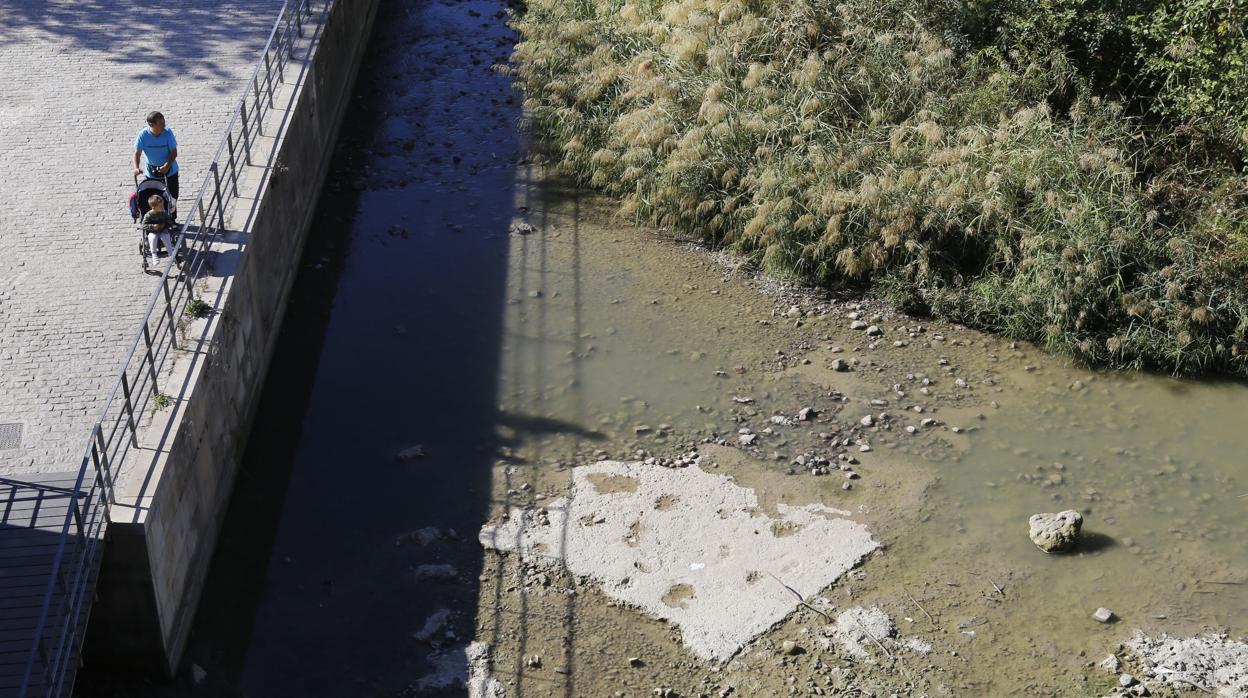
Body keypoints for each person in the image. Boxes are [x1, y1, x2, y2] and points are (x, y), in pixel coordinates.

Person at [132, 111, 179, 201]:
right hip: (152, 173)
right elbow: (137, 153)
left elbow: (174, 152)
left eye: (164, 123)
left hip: (170, 172)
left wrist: (167, 166)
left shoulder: (168, 133)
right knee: (155, 201)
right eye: (160, 124)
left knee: (172, 199)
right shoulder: (143, 135)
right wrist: (136, 168)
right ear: (151, 125)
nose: (163, 126)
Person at [142, 194, 175, 267]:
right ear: (153, 207)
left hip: (163, 230)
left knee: (166, 236)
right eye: (160, 206)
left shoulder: (164, 213)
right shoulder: (148, 215)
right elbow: (143, 225)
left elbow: (169, 221)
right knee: (152, 238)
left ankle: (171, 253)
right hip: (152, 231)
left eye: (163, 205)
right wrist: (152, 226)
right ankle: (154, 254)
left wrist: (166, 224)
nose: (162, 207)